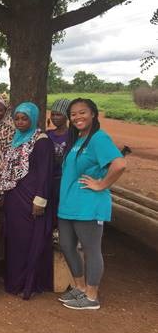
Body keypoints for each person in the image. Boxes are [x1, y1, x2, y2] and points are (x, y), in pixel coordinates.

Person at [57, 98, 126, 310]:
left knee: (91, 249)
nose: (77, 117)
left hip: (89, 206)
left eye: (82, 112)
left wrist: (101, 184)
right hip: (68, 204)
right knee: (67, 247)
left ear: (93, 114)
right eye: (74, 114)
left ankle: (92, 295)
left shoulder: (98, 138)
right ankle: (79, 289)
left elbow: (120, 164)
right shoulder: (78, 138)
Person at [0, 102, 54, 300]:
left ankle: (27, 282)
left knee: (28, 239)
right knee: (14, 239)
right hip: (14, 196)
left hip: (30, 198)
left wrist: (40, 200)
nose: (20, 122)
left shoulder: (41, 141)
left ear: (34, 119)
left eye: (25, 118)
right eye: (17, 118)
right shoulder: (16, 138)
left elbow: (45, 172)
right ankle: (14, 279)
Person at [47, 98, 71, 230]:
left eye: (59, 114)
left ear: (66, 116)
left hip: (63, 180)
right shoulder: (47, 134)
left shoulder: (72, 136)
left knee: (61, 209)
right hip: (49, 179)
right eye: (53, 114)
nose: (55, 117)